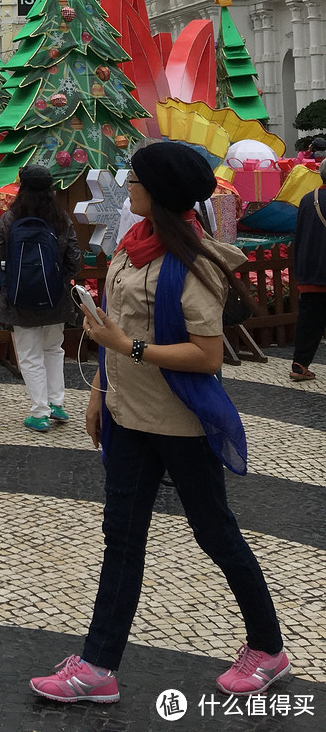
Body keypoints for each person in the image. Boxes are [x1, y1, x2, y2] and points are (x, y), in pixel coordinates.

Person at [30, 142, 288, 706]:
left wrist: (133, 349)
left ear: (161, 190)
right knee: (121, 537)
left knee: (214, 532)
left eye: (136, 177)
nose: (129, 183)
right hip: (127, 417)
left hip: (180, 425)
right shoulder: (131, 248)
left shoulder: (193, 264)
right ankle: (98, 665)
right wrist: (100, 392)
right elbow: (111, 329)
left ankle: (267, 648)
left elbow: (208, 355)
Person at [0, 163, 81, 432]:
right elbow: (74, 259)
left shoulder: (10, 219)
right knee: (54, 349)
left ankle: (39, 413)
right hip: (55, 298)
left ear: (22, 188)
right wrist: (57, 280)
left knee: (29, 356)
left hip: (20, 299)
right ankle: (57, 404)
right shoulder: (60, 218)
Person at [289, 158, 326, 381]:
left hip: (311, 272)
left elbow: (299, 236)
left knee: (309, 322)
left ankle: (299, 366)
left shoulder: (306, 199)